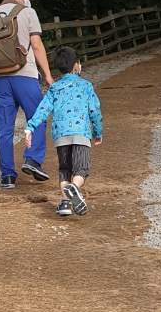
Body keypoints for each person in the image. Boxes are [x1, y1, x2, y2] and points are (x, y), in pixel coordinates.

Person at [0, 0, 54, 187]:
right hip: (24, 75)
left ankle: (7, 176)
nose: (26, 0)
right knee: (38, 117)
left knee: (4, 128)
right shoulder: (28, 13)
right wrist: (47, 74)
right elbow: (36, 46)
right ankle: (32, 160)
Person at [24, 46, 103, 217]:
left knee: (64, 169)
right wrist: (97, 132)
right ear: (76, 65)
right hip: (81, 133)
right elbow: (95, 110)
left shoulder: (55, 88)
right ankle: (75, 187)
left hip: (61, 136)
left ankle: (65, 203)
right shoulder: (86, 86)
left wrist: (30, 127)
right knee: (81, 169)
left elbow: (43, 110)